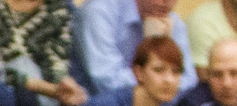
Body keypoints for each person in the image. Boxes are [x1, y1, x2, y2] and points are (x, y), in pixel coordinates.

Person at [69, 0, 198, 98]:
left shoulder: (169, 19)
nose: (165, 2)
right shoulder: (99, 11)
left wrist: (159, 43)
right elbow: (108, 83)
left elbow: (190, 80)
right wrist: (159, 81)